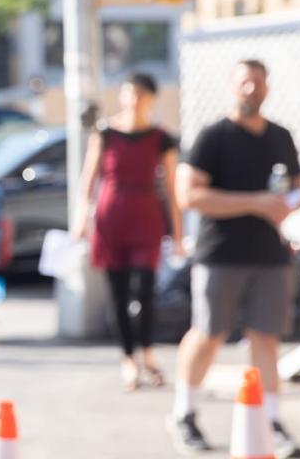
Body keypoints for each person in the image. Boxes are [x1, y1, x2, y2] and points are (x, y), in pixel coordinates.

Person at [168, 60, 300, 457]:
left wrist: (285, 205)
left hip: (269, 254)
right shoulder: (214, 137)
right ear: (232, 86)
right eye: (244, 82)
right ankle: (185, 412)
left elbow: (297, 189)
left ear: (267, 88)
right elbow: (189, 195)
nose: (251, 89)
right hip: (221, 254)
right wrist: (255, 203)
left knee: (266, 337)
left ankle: (271, 420)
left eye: (258, 82)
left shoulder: (280, 137)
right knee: (209, 333)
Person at [73, 72, 182, 391]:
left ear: (150, 99)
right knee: (117, 292)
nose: (133, 100)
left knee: (146, 290)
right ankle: (128, 360)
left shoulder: (162, 137)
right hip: (111, 216)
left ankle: (148, 354)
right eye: (128, 93)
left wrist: (177, 233)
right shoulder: (104, 133)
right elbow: (87, 181)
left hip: (147, 216)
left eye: (139, 94)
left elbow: (172, 188)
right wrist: (81, 219)